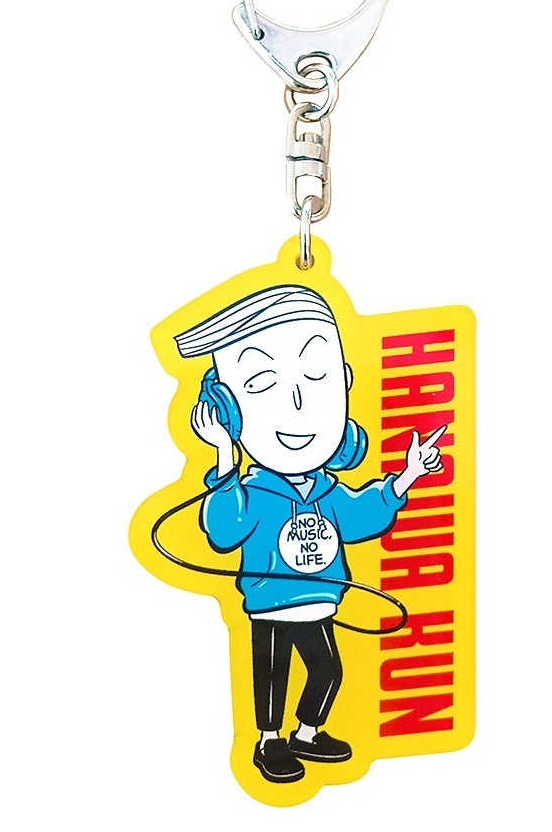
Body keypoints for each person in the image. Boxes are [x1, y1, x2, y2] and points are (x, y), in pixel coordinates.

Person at [175, 285, 445, 784]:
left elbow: (364, 515)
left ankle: (306, 733)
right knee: (271, 677)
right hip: (270, 604)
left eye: (317, 377)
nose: (298, 404)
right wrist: (223, 454)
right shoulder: (254, 492)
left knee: (328, 671)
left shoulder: (328, 491)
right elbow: (224, 529)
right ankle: (269, 741)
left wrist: (408, 475)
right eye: (263, 383)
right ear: (227, 411)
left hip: (318, 600)